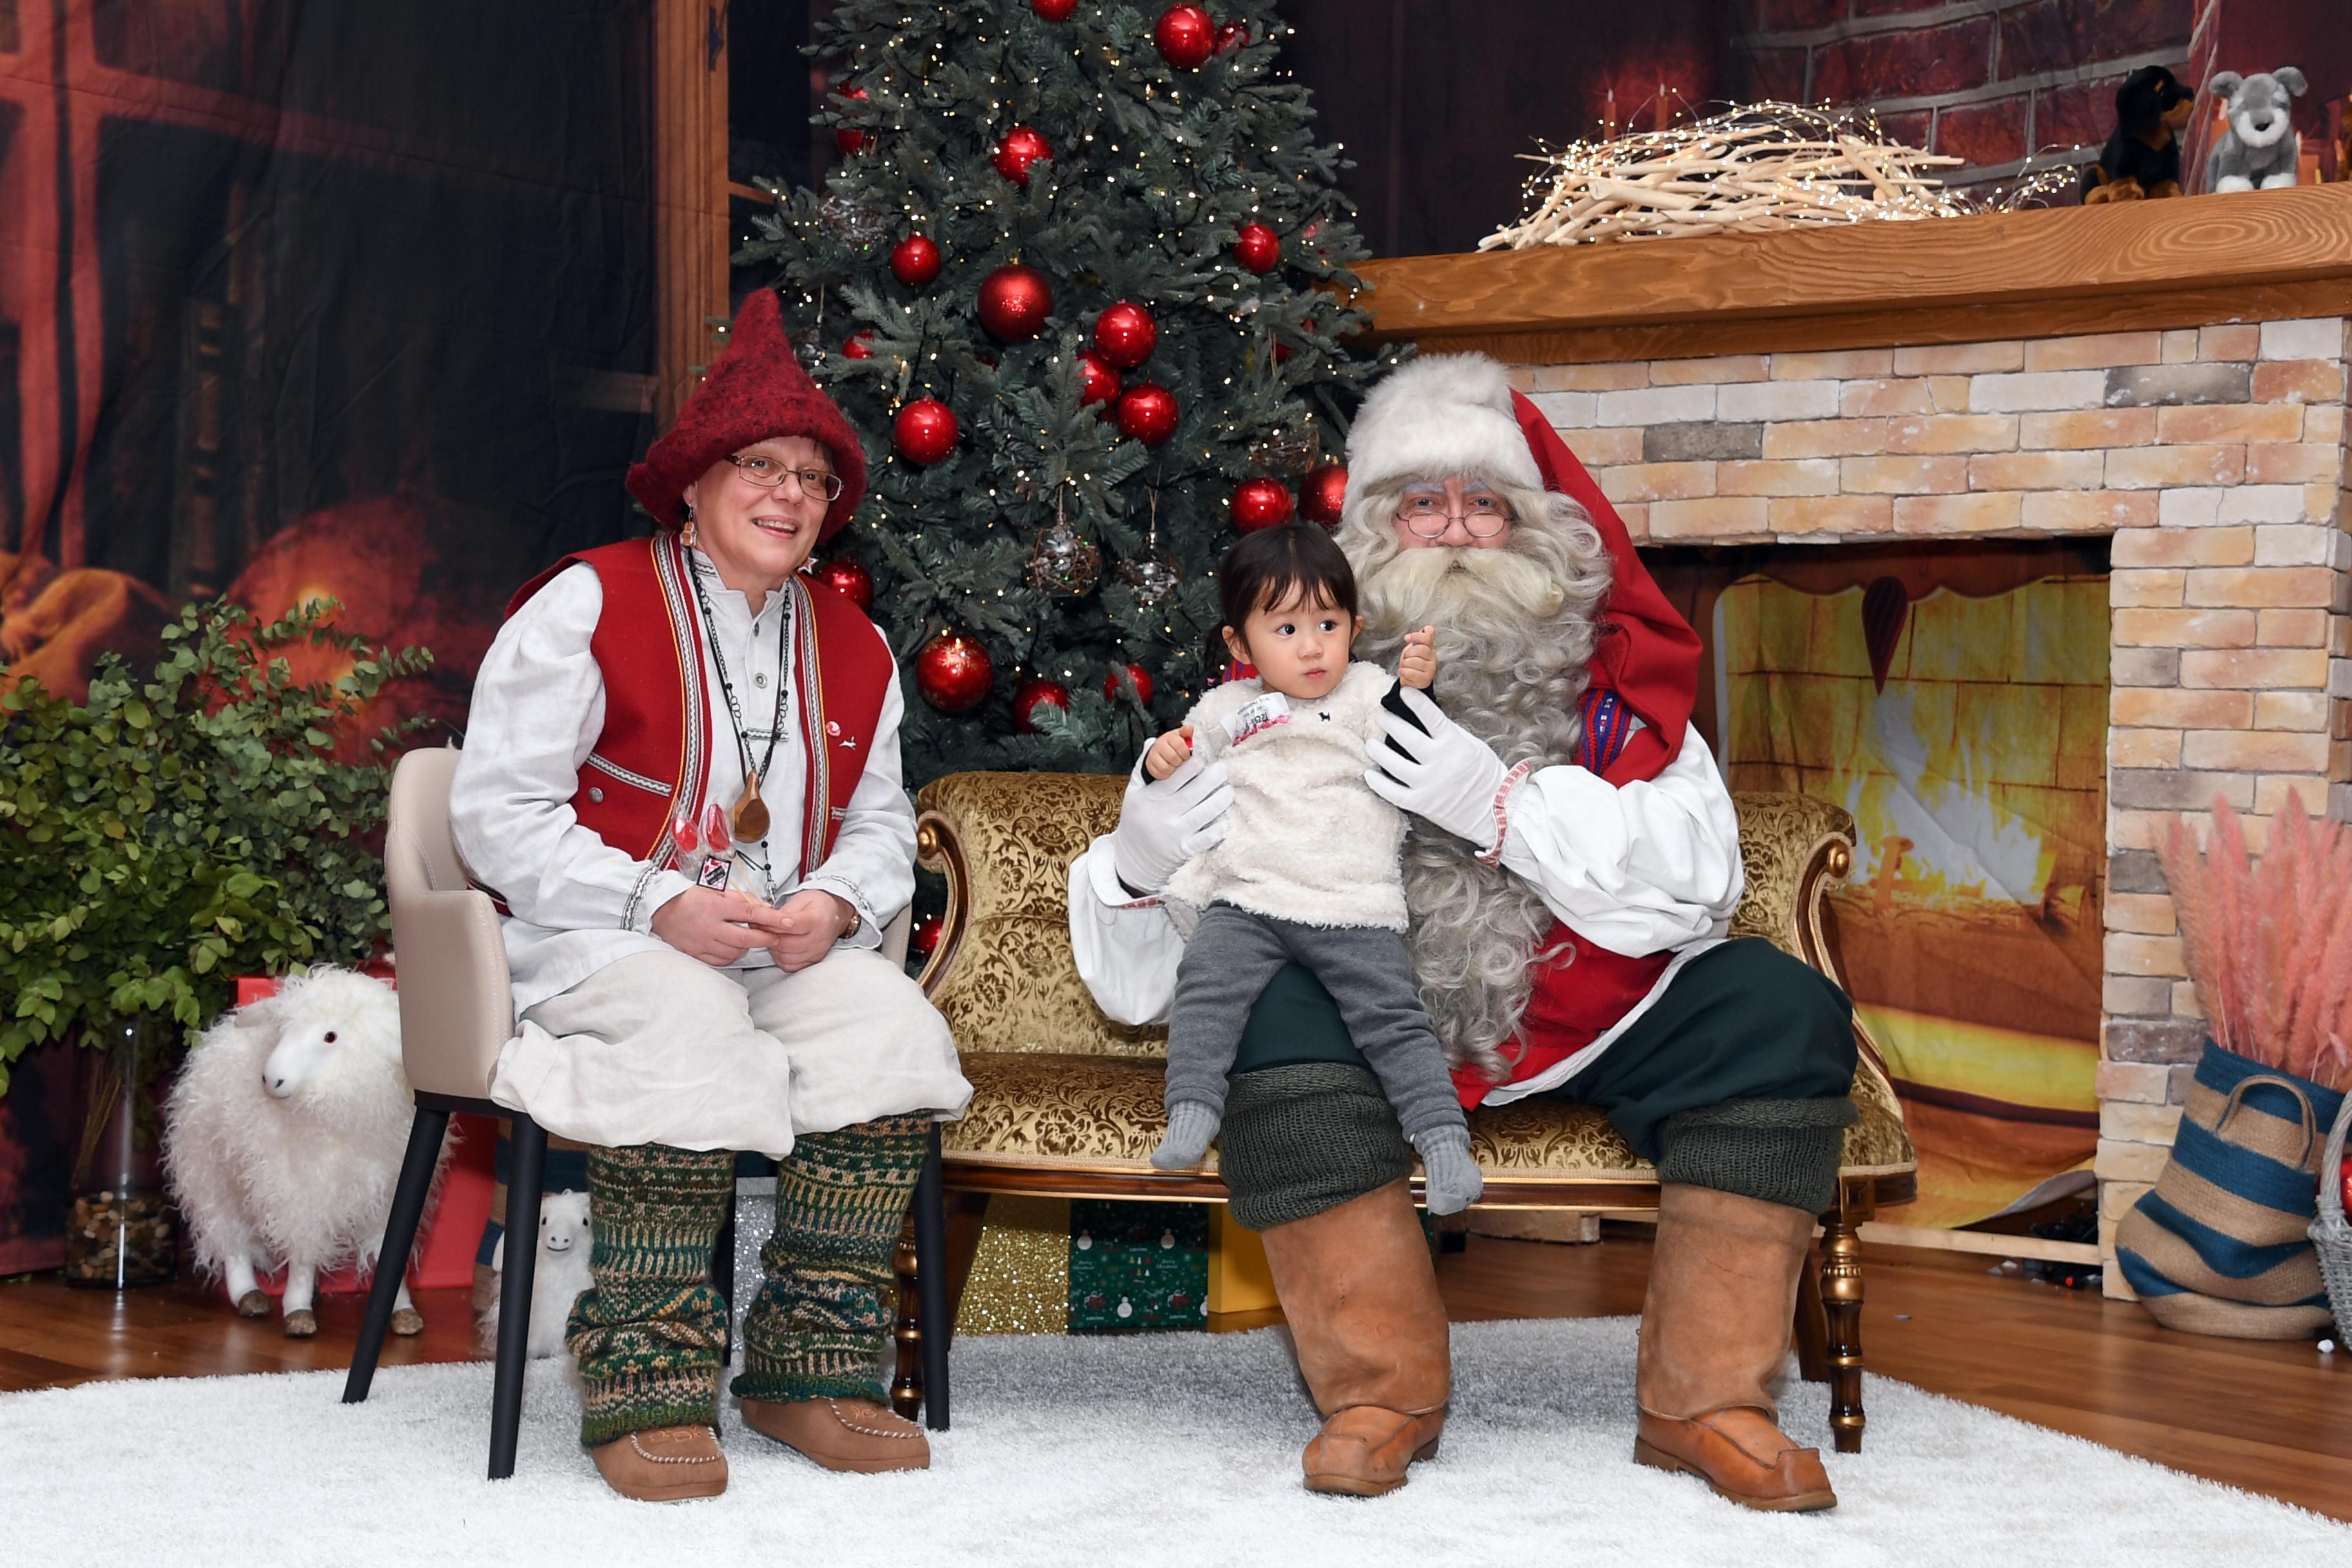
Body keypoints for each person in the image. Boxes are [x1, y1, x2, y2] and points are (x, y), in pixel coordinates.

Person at [1068, 353, 1857, 1509]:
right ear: (1368, 534)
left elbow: (1698, 881)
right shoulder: (1277, 698)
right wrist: (1137, 860)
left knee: (1780, 1010)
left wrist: (1496, 802)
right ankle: (1380, 1391)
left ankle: (1707, 1402)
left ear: (1539, 530)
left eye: (1483, 504)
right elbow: (1145, 981)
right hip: (1362, 1012)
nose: (1451, 532)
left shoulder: (1616, 691)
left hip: (1588, 1011)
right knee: (1262, 1007)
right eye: (1418, 503)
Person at [451, 289, 971, 1503]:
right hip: (600, 946)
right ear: (691, 482)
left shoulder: (858, 645)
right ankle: (648, 1381)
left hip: (775, 951)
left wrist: (836, 906)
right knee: (683, 1024)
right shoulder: (585, 601)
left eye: (812, 479)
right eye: (759, 466)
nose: (789, 495)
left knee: (891, 1028)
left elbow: (884, 819)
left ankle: (809, 1365)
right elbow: (493, 815)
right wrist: (650, 905)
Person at [1142, 525, 1481, 1221]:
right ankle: (1192, 1109)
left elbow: (1414, 745)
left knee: (1392, 1019)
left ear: (1354, 628)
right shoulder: (1225, 708)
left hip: (1349, 897)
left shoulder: (1366, 691)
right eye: (1287, 627)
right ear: (1240, 645)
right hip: (1251, 892)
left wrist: (1416, 693)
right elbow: (1179, 753)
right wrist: (1161, 761)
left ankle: (1445, 1142)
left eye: (1328, 623)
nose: (1311, 645)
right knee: (1206, 986)